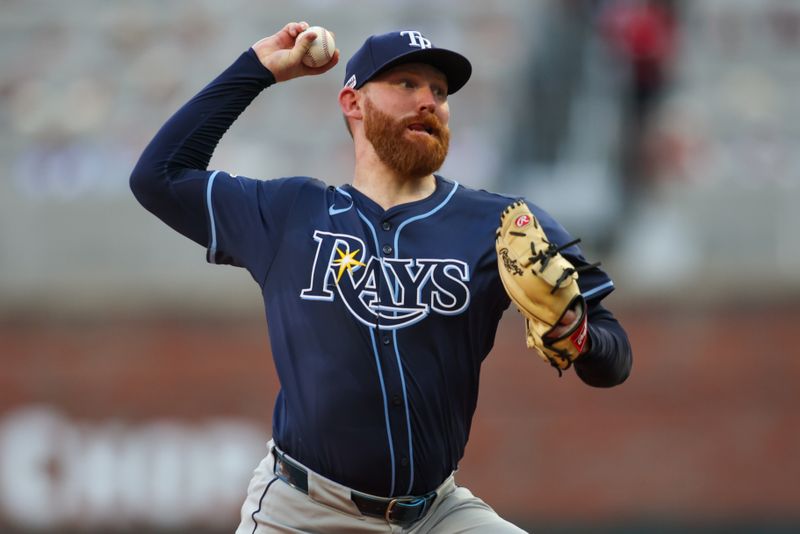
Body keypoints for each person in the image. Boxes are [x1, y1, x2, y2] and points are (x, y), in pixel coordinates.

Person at [130, 22, 632, 533]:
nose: (429, 101)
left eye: (439, 91)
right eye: (406, 84)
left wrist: (581, 336)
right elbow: (158, 177)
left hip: (436, 514)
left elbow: (615, 356)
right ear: (353, 103)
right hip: (304, 515)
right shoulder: (289, 214)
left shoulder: (504, 225)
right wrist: (256, 70)